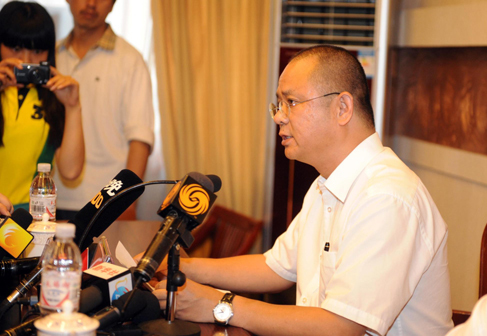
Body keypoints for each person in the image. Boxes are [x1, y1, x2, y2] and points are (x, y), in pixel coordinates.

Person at [149, 45, 453, 335]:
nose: (279, 116)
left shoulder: (387, 196)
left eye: (291, 102)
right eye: (278, 105)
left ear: (342, 108)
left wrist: (218, 305)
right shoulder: (325, 184)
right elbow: (276, 267)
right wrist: (181, 267)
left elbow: (340, 328)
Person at [54, 0, 154, 220]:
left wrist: (127, 202)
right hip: (49, 199)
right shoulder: (52, 56)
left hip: (106, 204)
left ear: (113, 4)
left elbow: (140, 139)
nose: (91, 3)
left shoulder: (130, 60)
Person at [0, 1, 84, 211]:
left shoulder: (54, 97)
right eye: (16, 48)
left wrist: (73, 107)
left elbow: (71, 171)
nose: (26, 60)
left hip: (27, 218)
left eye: (37, 50)